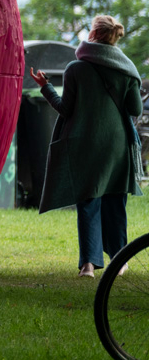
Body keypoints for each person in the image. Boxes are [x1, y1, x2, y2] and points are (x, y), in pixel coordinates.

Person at [33, 14, 143, 277]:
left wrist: (46, 87)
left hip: (84, 144)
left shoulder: (75, 69)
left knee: (88, 202)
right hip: (116, 146)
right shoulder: (126, 69)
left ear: (93, 34)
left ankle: (88, 266)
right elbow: (135, 108)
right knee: (115, 200)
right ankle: (120, 260)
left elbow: (65, 109)